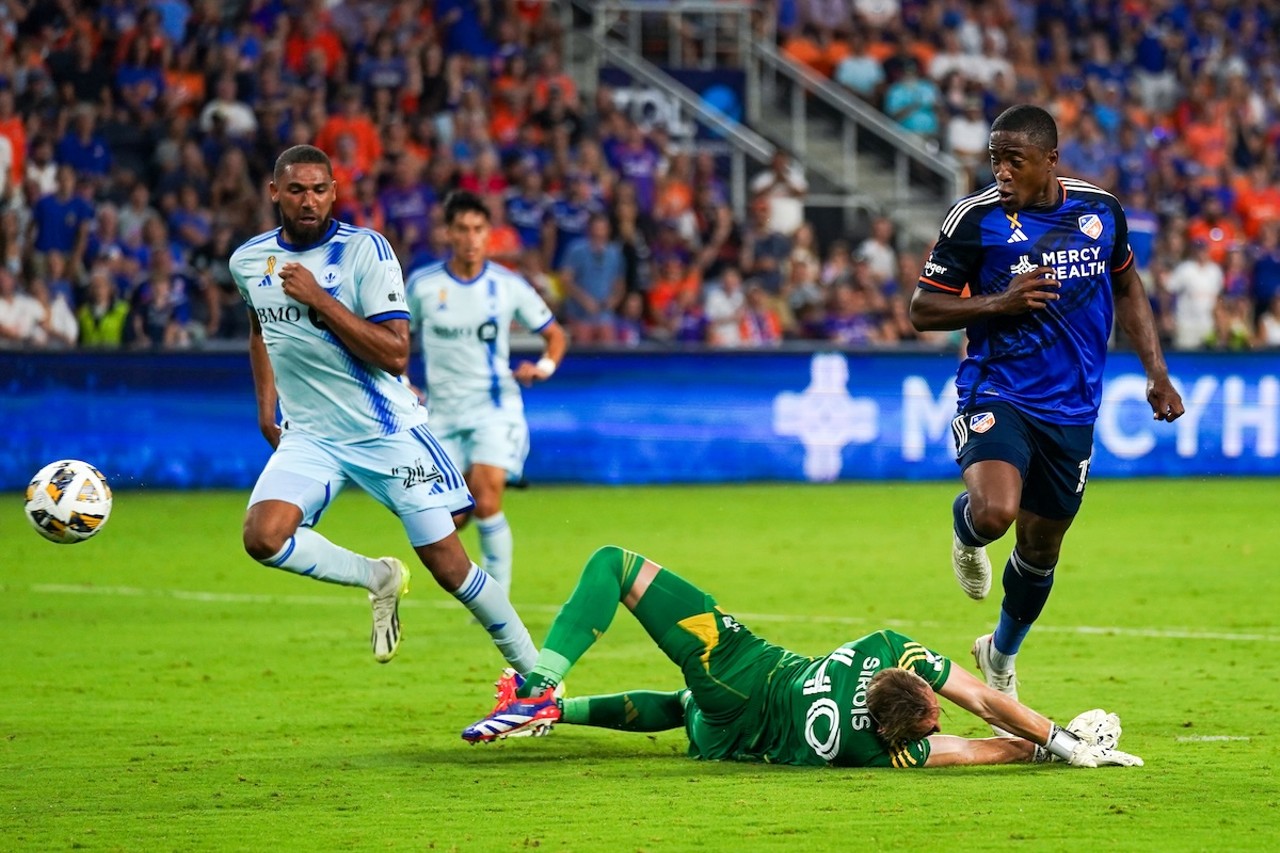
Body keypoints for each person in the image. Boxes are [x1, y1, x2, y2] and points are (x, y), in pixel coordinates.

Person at [908, 105, 1184, 722]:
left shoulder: (1100, 211)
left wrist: (1156, 373)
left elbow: (1128, 285)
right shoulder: (975, 220)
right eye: (994, 159)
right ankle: (967, 525)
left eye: (1015, 160)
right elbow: (923, 311)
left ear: (1050, 160)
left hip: (1074, 407)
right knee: (996, 511)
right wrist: (998, 302)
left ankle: (999, 654)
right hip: (998, 389)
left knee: (1041, 547)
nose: (1001, 171)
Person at [229, 145, 539, 673]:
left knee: (449, 565)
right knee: (262, 536)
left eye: (320, 189)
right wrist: (267, 409)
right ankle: (377, 577)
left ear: (334, 192)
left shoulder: (364, 252)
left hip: (385, 430)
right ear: (275, 192)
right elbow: (260, 330)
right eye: (298, 189)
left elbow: (396, 353)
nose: (310, 200)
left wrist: (321, 300)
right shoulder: (248, 260)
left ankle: (537, 678)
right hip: (311, 435)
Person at [460, 545, 1143, 770]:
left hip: (742, 670)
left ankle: (543, 685)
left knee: (615, 564)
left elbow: (982, 701)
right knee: (684, 711)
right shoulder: (881, 751)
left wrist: (1058, 736)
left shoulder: (883, 650)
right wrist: (1059, 746)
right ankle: (554, 708)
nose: (942, 709)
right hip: (725, 739)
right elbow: (977, 742)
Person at [405, 190, 567, 593]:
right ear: (448, 234)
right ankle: (473, 586)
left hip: (494, 407)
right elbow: (394, 339)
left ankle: (497, 596)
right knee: (449, 518)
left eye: (478, 229)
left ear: (488, 234)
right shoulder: (422, 285)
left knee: (487, 494)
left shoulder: (507, 286)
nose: (471, 238)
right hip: (440, 414)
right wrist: (403, 383)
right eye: (462, 229)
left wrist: (543, 367)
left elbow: (554, 335)